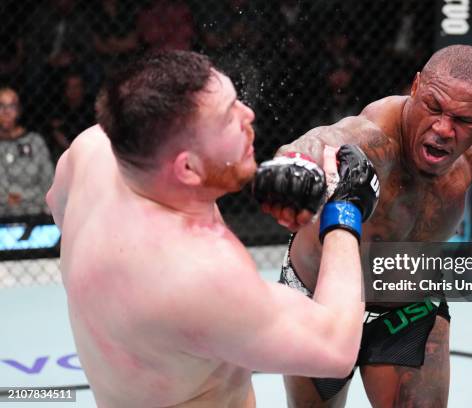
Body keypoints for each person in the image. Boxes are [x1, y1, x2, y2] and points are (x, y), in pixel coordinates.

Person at [45, 50, 379, 407]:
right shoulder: (198, 274)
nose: (247, 114)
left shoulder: (94, 148)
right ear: (187, 168)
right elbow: (335, 348)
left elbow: (56, 204)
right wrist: (345, 211)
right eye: (227, 117)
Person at [254, 45, 472, 407]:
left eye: (464, 120)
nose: (443, 129)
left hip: (408, 308)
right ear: (415, 87)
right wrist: (293, 165)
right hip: (319, 301)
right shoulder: (374, 135)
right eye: (433, 107)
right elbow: (323, 141)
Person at [0, 87, 54, 218]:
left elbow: (49, 183)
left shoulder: (35, 142)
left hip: (37, 215)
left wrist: (17, 198)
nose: (6, 112)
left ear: (18, 111)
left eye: (11, 106)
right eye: (1, 106)